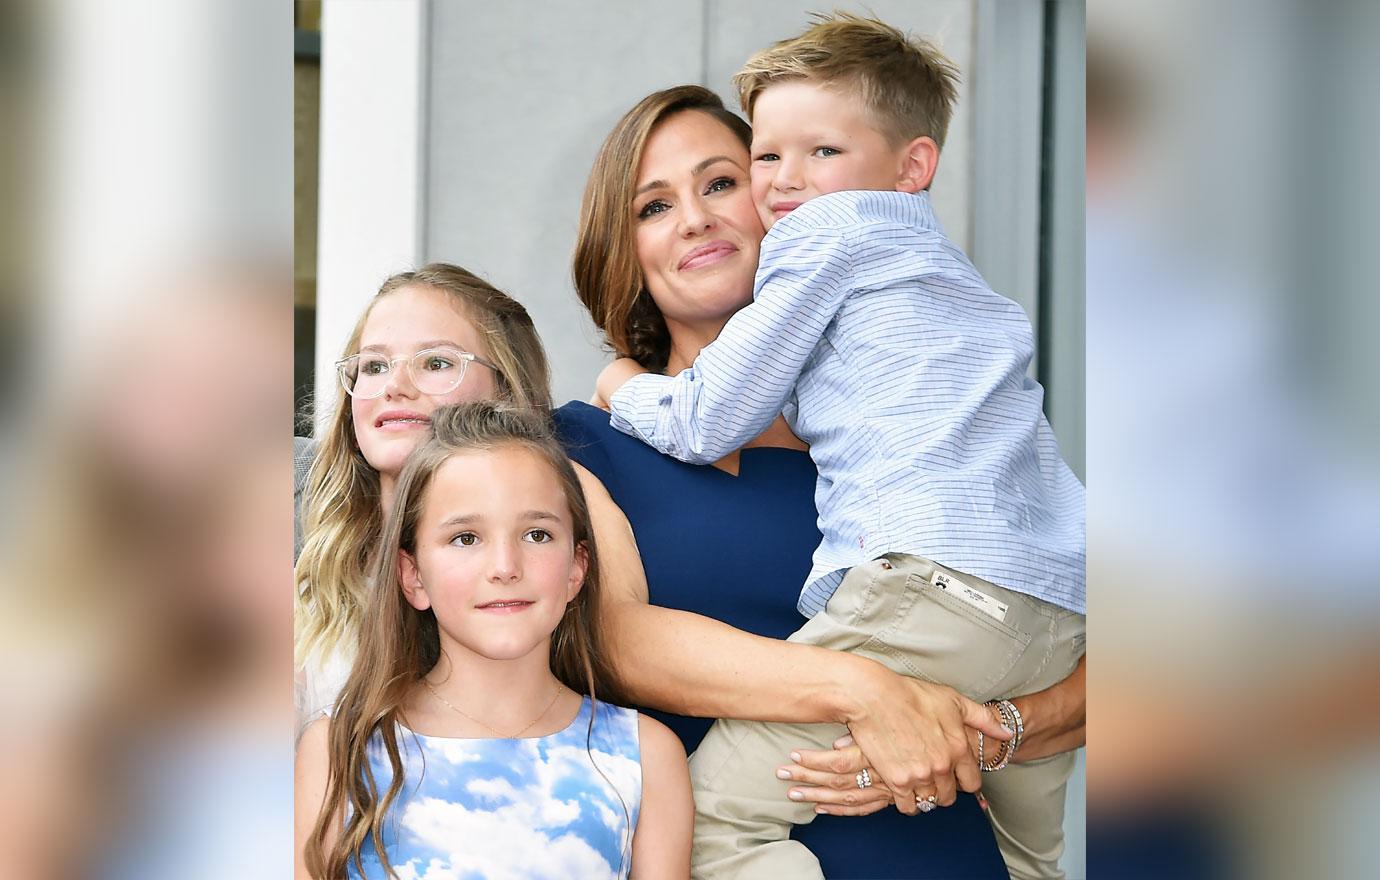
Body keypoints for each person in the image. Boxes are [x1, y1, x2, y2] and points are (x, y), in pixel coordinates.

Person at [594, 16, 1085, 880]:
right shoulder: (582, 444)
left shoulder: (835, 258)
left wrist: (995, 732)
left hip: (943, 609)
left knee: (701, 830)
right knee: (1035, 859)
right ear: (621, 246)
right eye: (655, 205)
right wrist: (875, 698)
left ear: (910, 167)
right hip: (1046, 606)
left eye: (722, 179)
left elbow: (705, 420)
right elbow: (614, 639)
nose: (778, 187)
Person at [294, 403, 692, 879]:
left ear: (577, 568)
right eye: (465, 538)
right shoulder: (340, 751)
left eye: (537, 534)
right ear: (412, 574)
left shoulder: (645, 756)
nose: (505, 566)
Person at [294, 263, 552, 734]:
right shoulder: (304, 572)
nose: (394, 385)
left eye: (436, 363)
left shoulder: (544, 562)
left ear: (508, 393)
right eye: (373, 366)